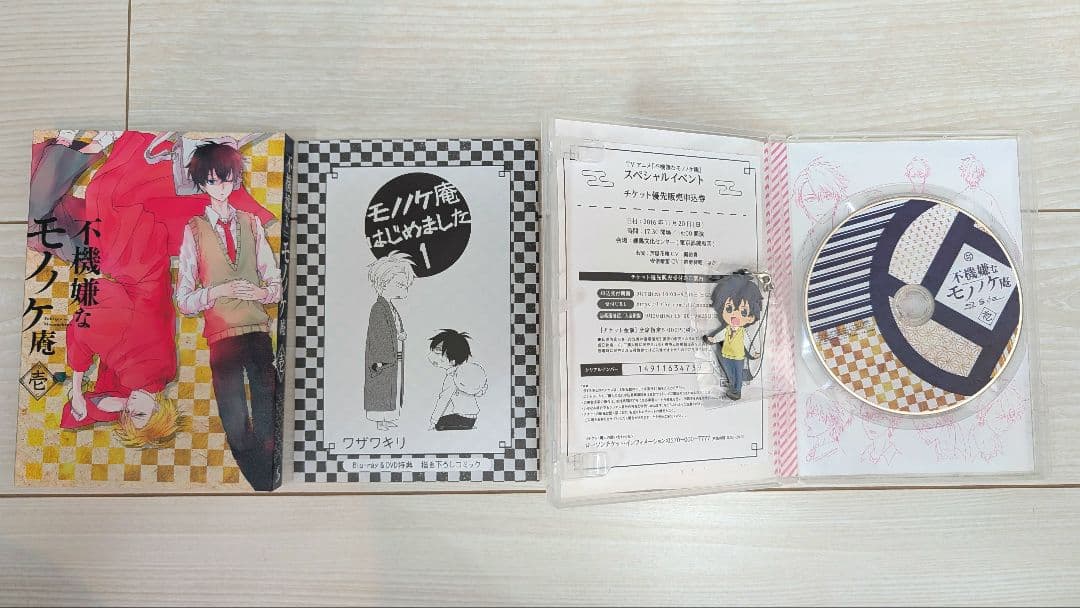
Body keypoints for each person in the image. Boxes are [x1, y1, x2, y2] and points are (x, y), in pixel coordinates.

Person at [175, 142, 282, 491]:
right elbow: (184, 300)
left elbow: (275, 282)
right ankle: (260, 482)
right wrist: (217, 291)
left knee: (269, 412)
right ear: (201, 184)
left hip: (257, 332)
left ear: (235, 179)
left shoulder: (252, 224)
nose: (220, 186)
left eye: (225, 178)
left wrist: (261, 294)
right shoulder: (193, 230)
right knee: (235, 419)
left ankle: (267, 481)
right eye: (211, 180)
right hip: (221, 338)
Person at [364, 251, 416, 431]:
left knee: (391, 388)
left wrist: (400, 335)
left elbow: (392, 330)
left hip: (392, 359)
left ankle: (387, 418)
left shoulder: (390, 307)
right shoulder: (379, 308)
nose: (404, 290)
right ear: (384, 283)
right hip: (382, 361)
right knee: (382, 388)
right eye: (400, 285)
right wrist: (383, 359)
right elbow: (378, 337)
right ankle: (380, 421)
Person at [703, 273, 763, 400]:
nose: (735, 316)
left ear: (750, 317)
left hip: (738, 357)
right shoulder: (727, 329)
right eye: (729, 309)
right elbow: (719, 336)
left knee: (737, 373)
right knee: (730, 373)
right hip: (726, 354)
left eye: (743, 312)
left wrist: (753, 353)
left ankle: (737, 391)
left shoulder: (742, 331)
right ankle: (733, 387)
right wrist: (712, 339)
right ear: (721, 308)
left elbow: (748, 342)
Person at [426, 329, 488, 431]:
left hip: (462, 418)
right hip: (472, 418)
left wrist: (433, 421)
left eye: (438, 352)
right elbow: (479, 391)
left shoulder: (452, 377)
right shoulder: (464, 373)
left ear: (452, 360)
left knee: (439, 425)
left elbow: (444, 400)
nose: (432, 356)